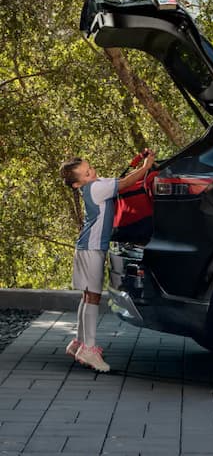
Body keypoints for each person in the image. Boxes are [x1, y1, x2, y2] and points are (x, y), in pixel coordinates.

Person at [58, 150, 155, 372]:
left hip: (85, 248)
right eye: (85, 173)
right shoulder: (95, 187)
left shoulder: (92, 186)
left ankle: (79, 343)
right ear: (77, 184)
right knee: (93, 297)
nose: (91, 172)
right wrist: (147, 166)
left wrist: (139, 164)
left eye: (89, 168)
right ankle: (89, 349)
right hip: (92, 249)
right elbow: (126, 182)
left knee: (87, 296)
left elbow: (121, 180)